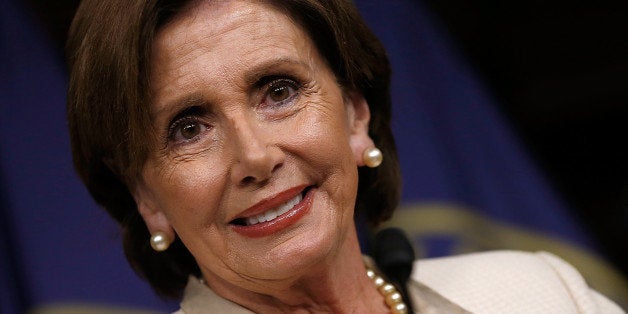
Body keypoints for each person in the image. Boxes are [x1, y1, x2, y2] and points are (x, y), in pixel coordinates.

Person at [66, 0, 624, 312]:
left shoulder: (540, 293)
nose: (255, 156)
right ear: (147, 198)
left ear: (356, 115)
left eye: (279, 91)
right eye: (188, 129)